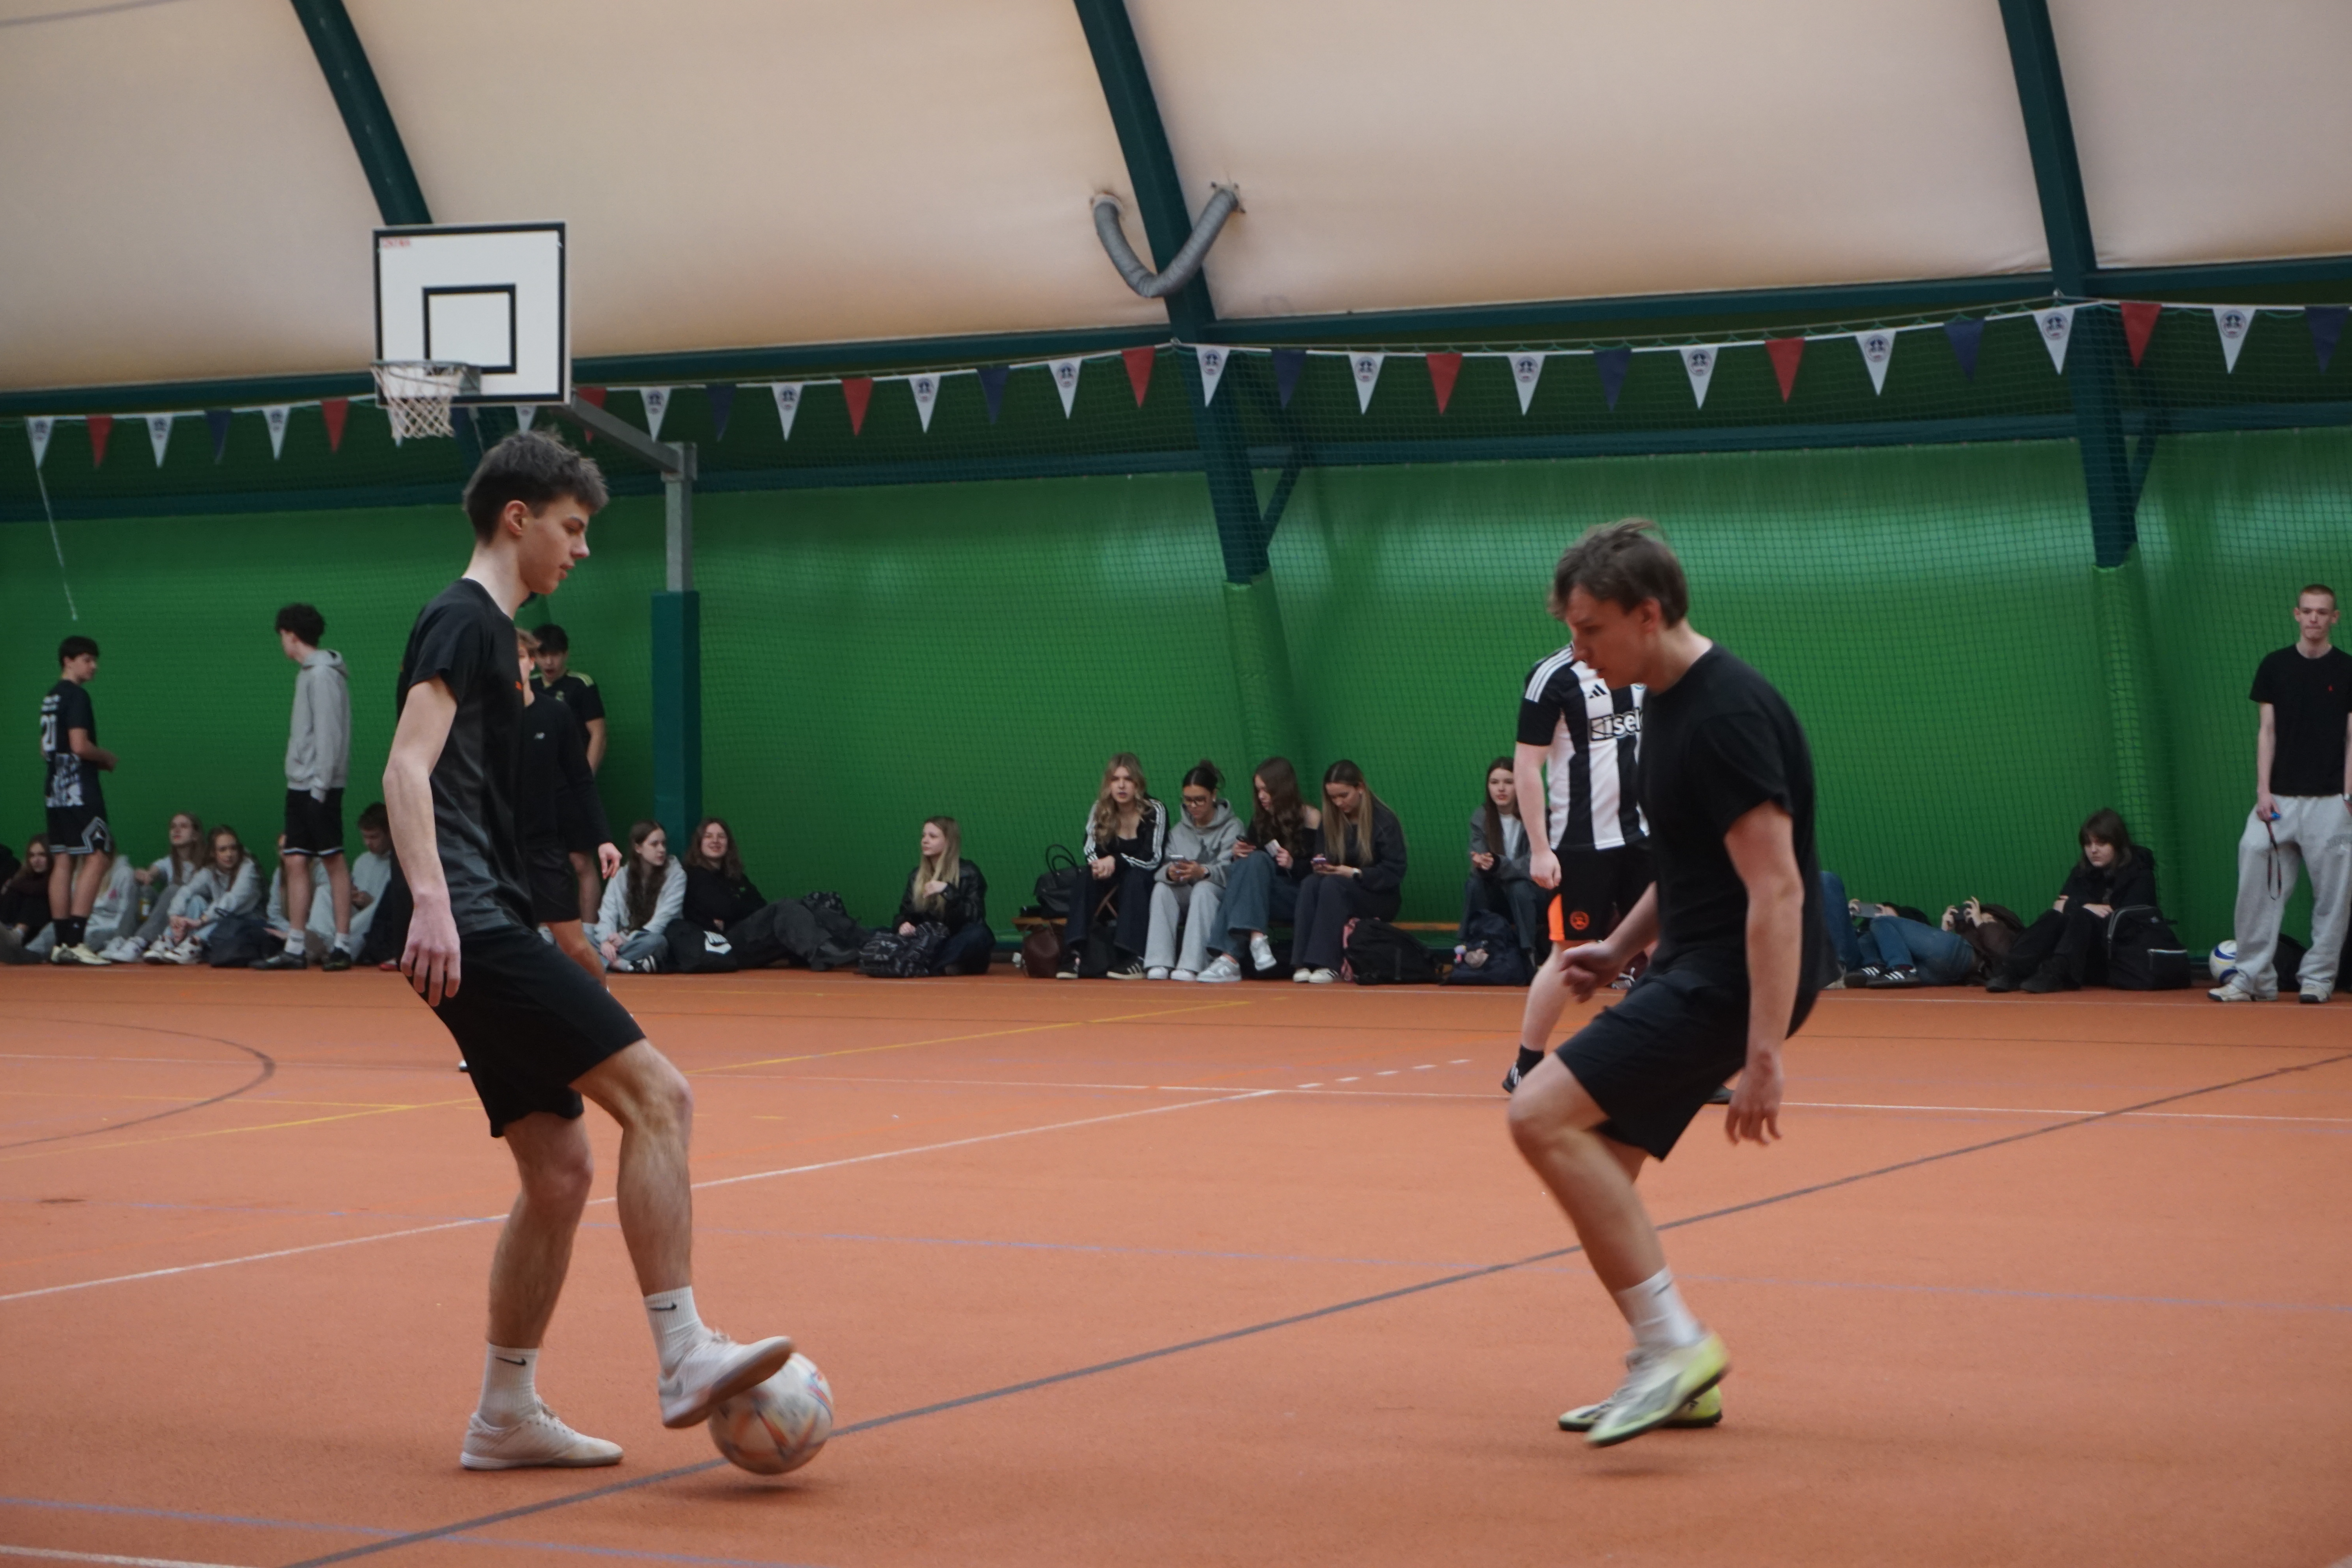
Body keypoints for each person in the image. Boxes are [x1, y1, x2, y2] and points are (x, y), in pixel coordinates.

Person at [383, 428, 791, 1473]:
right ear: (517, 518)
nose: (583, 548)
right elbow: (405, 769)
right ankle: (683, 1352)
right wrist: (431, 901)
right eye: (572, 528)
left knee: (560, 1171)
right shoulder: (463, 618)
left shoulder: (496, 640)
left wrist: (542, 916)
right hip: (467, 926)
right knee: (662, 1098)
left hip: (488, 921)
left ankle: (504, 1414)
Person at [1505, 519, 1823, 1448]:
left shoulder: (1723, 717)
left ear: (1648, 614)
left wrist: (1762, 1051)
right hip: (1695, 961)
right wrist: (1618, 945)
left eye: (1590, 629)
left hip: (1732, 978)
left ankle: (1677, 1344)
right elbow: (1688, 863)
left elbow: (1777, 889)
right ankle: (1672, 1370)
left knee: (1537, 1113)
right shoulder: (1662, 701)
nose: (1578, 651)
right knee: (1598, 1162)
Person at [1502, 642, 1651, 1090]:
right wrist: (1540, 849)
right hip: (1580, 843)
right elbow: (1527, 765)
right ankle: (1526, 1064)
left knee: (1668, 945)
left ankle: (1687, 1064)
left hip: (1644, 836)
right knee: (1569, 952)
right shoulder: (1553, 675)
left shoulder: (1643, 659)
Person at [2213, 585, 2351, 1004]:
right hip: (2278, 802)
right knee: (2254, 862)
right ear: (2296, 614)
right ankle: (2252, 979)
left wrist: (2348, 795)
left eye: (2322, 612)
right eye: (2307, 611)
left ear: (2335, 618)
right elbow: (2267, 732)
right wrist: (2264, 792)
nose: (2314, 618)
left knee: (2334, 896)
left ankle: (2318, 978)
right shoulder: (2275, 666)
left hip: (2332, 802)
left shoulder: (2347, 669)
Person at [256, 604, 358, 971]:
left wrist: (320, 788)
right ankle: (295, 947)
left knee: (332, 859)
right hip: (300, 783)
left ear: (290, 634)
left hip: (319, 785)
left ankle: (342, 946)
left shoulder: (323, 675)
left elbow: (329, 735)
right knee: (295, 858)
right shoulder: (307, 674)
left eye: (282, 636)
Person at [519, 628, 619, 984]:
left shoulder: (567, 700)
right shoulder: (487, 716)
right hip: (505, 846)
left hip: (552, 827)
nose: (547, 661)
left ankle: (591, 943)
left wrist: (603, 837)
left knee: (575, 943)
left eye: (522, 657)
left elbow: (593, 746)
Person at [1985, 809, 2161, 993]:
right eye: (2088, 844)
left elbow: (2126, 918)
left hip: (2119, 954)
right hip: (2083, 953)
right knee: (2053, 917)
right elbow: (2060, 906)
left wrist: (2079, 908)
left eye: (2101, 844)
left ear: (2117, 844)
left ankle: (2056, 973)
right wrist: (2086, 907)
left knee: (2082, 917)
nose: (2093, 850)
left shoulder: (2140, 874)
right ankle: (2012, 971)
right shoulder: (2083, 872)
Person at [1199, 758, 1321, 983]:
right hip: (1263, 897)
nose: (1262, 796)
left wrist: (1293, 864)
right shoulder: (1261, 819)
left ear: (1282, 788)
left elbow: (1320, 869)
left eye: (1266, 790)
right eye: (1258, 791)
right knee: (1249, 861)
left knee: (1249, 873)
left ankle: (1231, 956)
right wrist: (1239, 854)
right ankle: (1255, 941)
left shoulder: (1311, 817)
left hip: (1298, 895)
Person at [1288, 760, 1408, 984]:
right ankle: (1302, 962)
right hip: (1338, 887)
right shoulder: (1331, 820)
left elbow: (1394, 871)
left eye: (1344, 795)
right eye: (1333, 798)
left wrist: (1355, 873)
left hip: (1379, 896)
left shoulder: (1385, 821)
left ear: (1360, 787)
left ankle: (1327, 963)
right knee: (1311, 883)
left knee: (1333, 885)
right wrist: (1322, 865)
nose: (1338, 802)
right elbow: (1323, 855)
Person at [41, 634, 118, 965]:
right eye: (87, 659)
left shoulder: (51, 697)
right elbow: (80, 745)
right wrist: (106, 757)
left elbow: (44, 749)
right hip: (79, 789)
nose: (94, 666)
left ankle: (61, 943)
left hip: (54, 789)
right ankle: (76, 939)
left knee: (63, 859)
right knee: (98, 856)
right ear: (68, 661)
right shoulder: (77, 696)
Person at [1056, 753, 1165, 980]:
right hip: (1108, 881)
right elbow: (1089, 848)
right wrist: (1097, 866)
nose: (1122, 786)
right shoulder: (1100, 809)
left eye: (1128, 779)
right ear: (1109, 784)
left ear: (1138, 783)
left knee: (1135, 878)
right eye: (1115, 780)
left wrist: (1117, 861)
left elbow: (1153, 858)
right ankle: (1074, 953)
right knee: (1087, 876)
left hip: (1143, 883)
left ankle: (1134, 956)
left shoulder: (1155, 809)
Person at [531, 623, 610, 926]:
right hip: (537, 794)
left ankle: (589, 933)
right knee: (538, 864)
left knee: (580, 862)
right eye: (542, 655)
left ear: (566, 654)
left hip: (571, 791)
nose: (549, 662)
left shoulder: (581, 686)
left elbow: (598, 734)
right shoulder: (528, 688)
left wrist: (583, 780)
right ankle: (542, 934)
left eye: (555, 654)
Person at [1145, 761, 1241, 980]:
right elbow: (1160, 868)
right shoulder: (1178, 831)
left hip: (1219, 897)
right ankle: (1159, 961)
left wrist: (1203, 872)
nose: (1194, 806)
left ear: (1214, 795)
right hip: (1187, 892)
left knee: (1203, 889)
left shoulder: (1233, 826)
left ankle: (1193, 964)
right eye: (1188, 800)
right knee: (1162, 889)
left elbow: (1232, 871)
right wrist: (1170, 873)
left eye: (1200, 800)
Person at [1817, 871, 1978, 987]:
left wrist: (1885, 920)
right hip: (1859, 961)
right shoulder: (1864, 934)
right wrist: (1843, 915)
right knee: (1827, 879)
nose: (1878, 913)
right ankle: (1837, 968)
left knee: (1881, 924)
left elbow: (1932, 948)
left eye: (1886, 910)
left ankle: (1901, 968)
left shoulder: (1908, 925)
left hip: (1909, 964)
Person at [1463, 757, 1545, 962]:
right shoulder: (1481, 816)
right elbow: (1479, 858)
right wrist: (1481, 864)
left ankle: (1528, 954)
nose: (1501, 789)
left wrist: (1499, 865)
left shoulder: (1538, 815)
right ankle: (1473, 947)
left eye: (1509, 782)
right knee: (1475, 884)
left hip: (1534, 894)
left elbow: (1534, 864)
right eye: (1494, 783)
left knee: (1519, 887)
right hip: (1499, 894)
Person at [143, 825, 263, 965]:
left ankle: (194, 945)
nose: (229, 854)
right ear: (213, 853)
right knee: (196, 901)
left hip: (248, 920)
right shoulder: (209, 871)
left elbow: (232, 901)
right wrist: (175, 917)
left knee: (223, 915)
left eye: (233, 848)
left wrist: (201, 921)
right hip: (220, 916)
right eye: (223, 850)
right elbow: (186, 891)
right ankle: (169, 940)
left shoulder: (248, 867)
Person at [893, 816, 994, 975]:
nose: (925, 841)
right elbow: (905, 913)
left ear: (949, 842)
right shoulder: (916, 876)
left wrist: (948, 891)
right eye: (924, 836)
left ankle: (927, 966)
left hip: (955, 940)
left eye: (933, 837)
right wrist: (903, 925)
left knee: (979, 935)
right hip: (928, 941)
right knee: (879, 933)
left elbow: (975, 916)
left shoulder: (969, 872)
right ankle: (942, 966)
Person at [100, 811, 205, 962]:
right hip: (167, 919)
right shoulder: (169, 862)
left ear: (195, 835)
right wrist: (146, 875)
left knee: (174, 890)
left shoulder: (207, 863)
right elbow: (155, 871)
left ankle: (140, 942)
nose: (176, 831)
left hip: (191, 918)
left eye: (183, 827)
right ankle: (120, 940)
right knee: (144, 890)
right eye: (173, 827)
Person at [591, 821, 684, 975]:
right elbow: (608, 913)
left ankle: (605, 962)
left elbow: (662, 921)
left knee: (658, 942)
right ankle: (623, 964)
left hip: (647, 939)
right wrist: (606, 941)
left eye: (663, 844)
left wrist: (627, 940)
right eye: (654, 844)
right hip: (620, 939)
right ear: (638, 848)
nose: (662, 850)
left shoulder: (676, 875)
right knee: (582, 931)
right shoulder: (621, 875)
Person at [681, 817, 763, 936]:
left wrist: (728, 921)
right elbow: (725, 909)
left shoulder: (736, 876)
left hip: (752, 932)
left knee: (783, 909)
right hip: (726, 940)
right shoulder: (694, 876)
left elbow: (761, 906)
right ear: (699, 843)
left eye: (721, 837)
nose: (715, 841)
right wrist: (741, 905)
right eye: (708, 836)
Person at [346, 802, 396, 953]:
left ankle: (341, 945)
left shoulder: (400, 864)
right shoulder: (362, 861)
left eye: (374, 837)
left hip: (380, 926)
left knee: (376, 907)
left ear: (389, 834)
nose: (368, 843)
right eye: (365, 837)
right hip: (357, 918)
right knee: (326, 892)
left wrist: (371, 903)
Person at [0, 837, 53, 965]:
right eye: (32, 856)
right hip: (11, 926)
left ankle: (17, 935)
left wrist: (13, 885)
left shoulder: (56, 881)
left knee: (35, 898)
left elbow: (39, 889)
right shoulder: (22, 880)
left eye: (42, 855)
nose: (36, 860)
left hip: (36, 935)